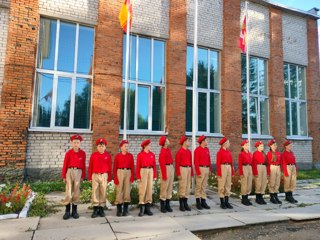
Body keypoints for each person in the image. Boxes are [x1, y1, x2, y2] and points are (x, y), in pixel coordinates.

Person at [61, 134, 86, 220]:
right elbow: (65, 165)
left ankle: (74, 211)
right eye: (74, 142)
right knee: (68, 190)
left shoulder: (82, 153)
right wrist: (64, 176)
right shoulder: (69, 153)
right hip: (69, 171)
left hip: (78, 172)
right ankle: (67, 211)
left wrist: (83, 176)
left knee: (76, 190)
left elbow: (83, 165)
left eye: (77, 142)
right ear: (71, 143)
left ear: (80, 143)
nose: (76, 144)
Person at [88, 138, 112, 218]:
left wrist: (109, 177)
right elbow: (90, 166)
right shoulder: (93, 155)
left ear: (105, 147)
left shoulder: (107, 156)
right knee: (95, 191)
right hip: (95, 175)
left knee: (103, 191)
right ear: (97, 147)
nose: (101, 147)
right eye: (99, 146)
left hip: (104, 175)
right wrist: (89, 177)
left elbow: (109, 167)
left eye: (102, 146)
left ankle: (101, 208)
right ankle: (95, 208)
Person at [136, 139, 157, 216]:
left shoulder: (152, 154)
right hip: (143, 171)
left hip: (150, 171)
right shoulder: (140, 155)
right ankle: (142, 208)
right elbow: (138, 166)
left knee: (149, 189)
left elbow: (154, 166)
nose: (150, 146)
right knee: (142, 189)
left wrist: (155, 175)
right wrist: (138, 176)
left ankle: (148, 208)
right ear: (145, 146)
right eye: (149, 145)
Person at [113, 140, 134, 217]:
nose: (126, 148)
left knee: (127, 191)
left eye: (127, 146)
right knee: (119, 190)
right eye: (125, 146)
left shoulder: (130, 156)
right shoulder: (118, 156)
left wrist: (132, 177)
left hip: (128, 172)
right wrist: (115, 177)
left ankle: (125, 209)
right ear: (121, 147)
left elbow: (132, 166)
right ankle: (119, 209)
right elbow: (114, 168)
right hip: (120, 172)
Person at [175, 135, 193, 212]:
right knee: (182, 186)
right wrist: (178, 174)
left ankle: (186, 203)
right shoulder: (179, 152)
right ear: (184, 142)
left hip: (188, 169)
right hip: (182, 169)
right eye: (188, 141)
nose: (189, 142)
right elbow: (177, 164)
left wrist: (191, 172)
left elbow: (190, 163)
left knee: (187, 186)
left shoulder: (189, 152)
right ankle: (181, 204)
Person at [216, 137, 234, 209]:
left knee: (228, 184)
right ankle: (222, 202)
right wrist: (219, 173)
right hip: (222, 167)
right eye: (228, 142)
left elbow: (231, 163)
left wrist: (232, 172)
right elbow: (218, 163)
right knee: (221, 185)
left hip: (228, 167)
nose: (229, 144)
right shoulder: (219, 152)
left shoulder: (229, 152)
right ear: (224, 144)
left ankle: (227, 202)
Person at [194, 135, 211, 210]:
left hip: (206, 168)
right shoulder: (197, 150)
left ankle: (203, 201)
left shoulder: (207, 149)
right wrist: (198, 172)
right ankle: (198, 202)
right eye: (206, 140)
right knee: (199, 186)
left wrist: (209, 169)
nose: (207, 142)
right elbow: (196, 162)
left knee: (204, 186)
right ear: (203, 141)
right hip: (200, 168)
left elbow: (209, 159)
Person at [158, 136, 174, 213]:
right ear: (164, 142)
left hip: (170, 167)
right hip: (165, 168)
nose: (168, 140)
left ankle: (168, 204)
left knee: (170, 187)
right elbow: (162, 164)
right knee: (164, 187)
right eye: (167, 139)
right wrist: (164, 174)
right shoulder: (162, 151)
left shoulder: (168, 150)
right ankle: (163, 206)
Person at [267, 139, 282, 204]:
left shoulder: (278, 153)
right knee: (272, 182)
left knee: (277, 182)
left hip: (278, 167)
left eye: (275, 145)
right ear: (270, 146)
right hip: (272, 167)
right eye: (273, 145)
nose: (274, 146)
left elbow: (280, 162)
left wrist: (281, 170)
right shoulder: (269, 153)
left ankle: (276, 196)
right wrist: (268, 172)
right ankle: (272, 197)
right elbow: (268, 163)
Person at [238, 139, 253, 206]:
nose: (247, 146)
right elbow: (240, 164)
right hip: (244, 167)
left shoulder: (249, 153)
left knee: (249, 183)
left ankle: (247, 197)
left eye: (248, 145)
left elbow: (251, 162)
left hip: (249, 167)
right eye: (246, 145)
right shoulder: (241, 154)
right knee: (244, 183)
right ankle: (243, 199)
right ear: (243, 146)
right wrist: (241, 173)